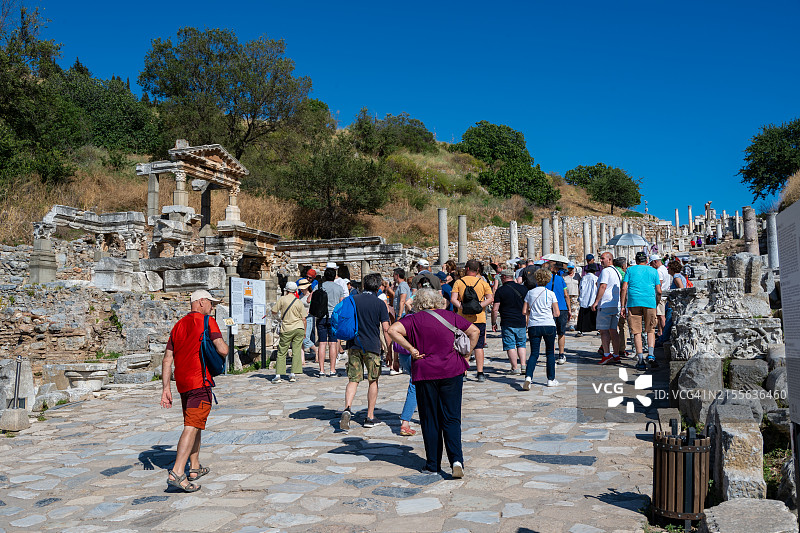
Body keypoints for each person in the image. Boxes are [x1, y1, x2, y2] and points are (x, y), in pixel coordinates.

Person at [388, 288, 479, 477]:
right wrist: (467, 355)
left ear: (418, 303)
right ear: (438, 301)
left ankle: (432, 464)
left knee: (430, 418)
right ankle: (456, 460)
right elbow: (474, 330)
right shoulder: (450, 316)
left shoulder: (413, 320)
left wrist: (411, 349)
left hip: (425, 371)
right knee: (452, 417)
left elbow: (392, 330)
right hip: (451, 370)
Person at [160, 290, 229, 492]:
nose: (212, 307)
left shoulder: (178, 325)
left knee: (195, 421)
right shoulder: (207, 322)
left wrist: (166, 388)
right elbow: (222, 349)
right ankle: (177, 472)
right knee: (191, 425)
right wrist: (223, 345)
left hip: (183, 383)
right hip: (200, 380)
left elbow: (167, 359)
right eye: (210, 303)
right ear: (200, 302)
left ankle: (195, 466)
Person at [340, 273, 391, 430]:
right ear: (378, 287)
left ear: (364, 285)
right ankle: (369, 416)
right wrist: (389, 350)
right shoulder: (380, 304)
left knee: (353, 380)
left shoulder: (352, 300)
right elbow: (386, 329)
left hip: (354, 344)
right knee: (373, 380)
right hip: (372, 346)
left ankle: (347, 408)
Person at [450, 259, 494, 382]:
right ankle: (480, 373)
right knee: (479, 346)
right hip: (479, 317)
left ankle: (463, 372)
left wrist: (462, 307)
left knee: (462, 344)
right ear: (478, 270)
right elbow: (490, 298)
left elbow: (453, 299)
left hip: (462, 319)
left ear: (467, 269)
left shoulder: (459, 282)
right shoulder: (483, 283)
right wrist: (480, 306)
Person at [620, 251, 662, 371]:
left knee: (636, 331)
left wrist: (623, 305)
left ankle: (640, 359)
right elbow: (658, 291)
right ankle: (651, 354)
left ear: (636, 260)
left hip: (633, 302)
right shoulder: (653, 271)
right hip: (649, 302)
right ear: (646, 260)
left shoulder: (629, 270)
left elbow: (624, 288)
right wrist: (656, 302)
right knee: (650, 329)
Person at [521, 268, 561, 389]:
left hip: (534, 325)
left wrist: (532, 312)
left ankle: (528, 377)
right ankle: (551, 379)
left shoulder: (530, 293)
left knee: (534, 353)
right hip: (548, 324)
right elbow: (557, 313)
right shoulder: (551, 294)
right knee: (550, 353)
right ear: (548, 280)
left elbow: (524, 311)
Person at [491, 269, 529, 374]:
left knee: (510, 345)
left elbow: (495, 309)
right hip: (521, 320)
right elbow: (528, 306)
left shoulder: (500, 291)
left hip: (507, 321)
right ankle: (523, 366)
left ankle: (515, 368)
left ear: (503, 277)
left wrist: (494, 322)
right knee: (521, 344)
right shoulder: (523, 289)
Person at [271, 281, 307, 383]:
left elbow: (274, 311)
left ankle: (278, 375)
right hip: (299, 327)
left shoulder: (282, 299)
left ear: (286, 290)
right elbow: (304, 318)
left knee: (282, 351)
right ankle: (293, 375)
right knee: (296, 351)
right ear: (296, 290)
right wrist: (304, 331)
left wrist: (279, 316)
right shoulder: (299, 301)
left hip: (287, 327)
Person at [591, 252, 622, 365]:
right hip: (615, 304)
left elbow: (603, 286)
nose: (601, 261)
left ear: (609, 259)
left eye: (603, 258)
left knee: (604, 331)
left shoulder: (606, 271)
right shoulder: (617, 272)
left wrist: (596, 301)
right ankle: (616, 354)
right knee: (613, 330)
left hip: (605, 304)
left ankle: (606, 354)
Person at [318, 267, 345, 377]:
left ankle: (321, 370)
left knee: (322, 343)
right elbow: (341, 304)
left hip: (321, 317)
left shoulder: (319, 287)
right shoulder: (339, 288)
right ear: (334, 277)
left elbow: (311, 300)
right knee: (333, 343)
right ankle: (332, 369)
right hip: (334, 317)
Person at [547, 261, 571, 365]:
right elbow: (566, 294)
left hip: (549, 308)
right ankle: (561, 354)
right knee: (561, 333)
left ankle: (551, 355)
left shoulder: (544, 281)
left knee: (551, 334)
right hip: (562, 308)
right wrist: (569, 309)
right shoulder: (560, 279)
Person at [650, 254, 670, 336]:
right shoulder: (665, 268)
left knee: (660, 315)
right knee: (661, 315)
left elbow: (659, 284)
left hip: (661, 296)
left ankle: (663, 333)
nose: (651, 266)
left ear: (655, 262)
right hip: (665, 294)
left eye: (651, 264)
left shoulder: (659, 271)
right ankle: (661, 333)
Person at [576, 263, 599, 336]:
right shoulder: (596, 278)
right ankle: (598, 329)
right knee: (595, 315)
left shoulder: (584, 278)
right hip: (593, 298)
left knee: (583, 314)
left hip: (584, 298)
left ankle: (580, 330)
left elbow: (580, 288)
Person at [298, 279, 317, 360]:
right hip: (301, 318)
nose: (301, 289)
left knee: (306, 338)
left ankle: (316, 350)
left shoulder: (311, 295)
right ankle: (302, 359)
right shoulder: (301, 296)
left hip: (308, 318)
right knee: (300, 339)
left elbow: (313, 306)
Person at [563, 262, 581, 332]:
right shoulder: (564, 276)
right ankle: (568, 323)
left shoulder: (577, 276)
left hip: (575, 295)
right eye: (569, 268)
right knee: (568, 310)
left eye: (571, 268)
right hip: (567, 295)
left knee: (575, 310)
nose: (570, 269)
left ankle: (573, 324)